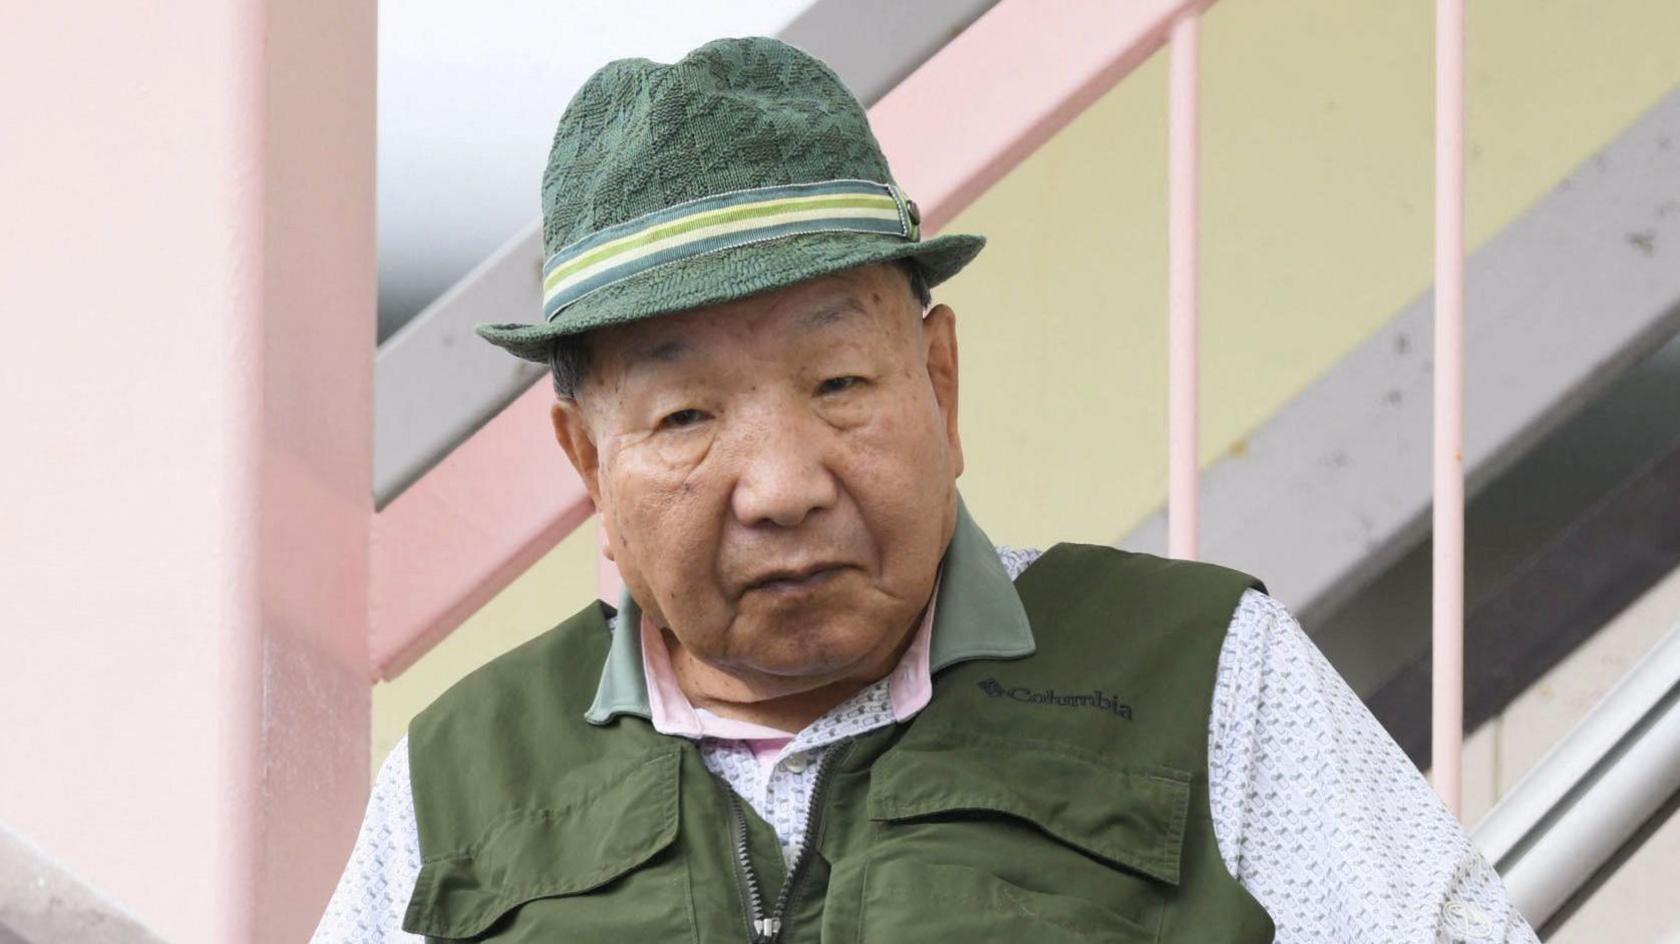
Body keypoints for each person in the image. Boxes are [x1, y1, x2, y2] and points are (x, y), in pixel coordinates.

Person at [311, 36, 1537, 943]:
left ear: (940, 382)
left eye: (840, 380)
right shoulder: (462, 775)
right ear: (587, 460)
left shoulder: (1204, 669)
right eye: (686, 416)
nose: (783, 486)